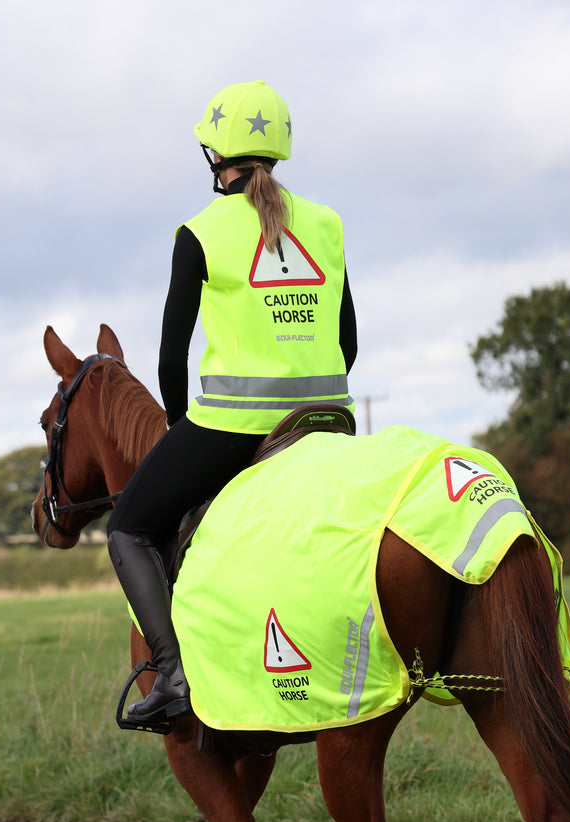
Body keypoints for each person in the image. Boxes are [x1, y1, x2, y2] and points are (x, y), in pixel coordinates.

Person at [107, 80, 358, 727]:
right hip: (329, 422)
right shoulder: (325, 225)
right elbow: (348, 340)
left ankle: (174, 676)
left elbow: (170, 359)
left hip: (233, 427)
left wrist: (177, 424)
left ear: (213, 156)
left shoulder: (200, 232)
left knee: (128, 527)